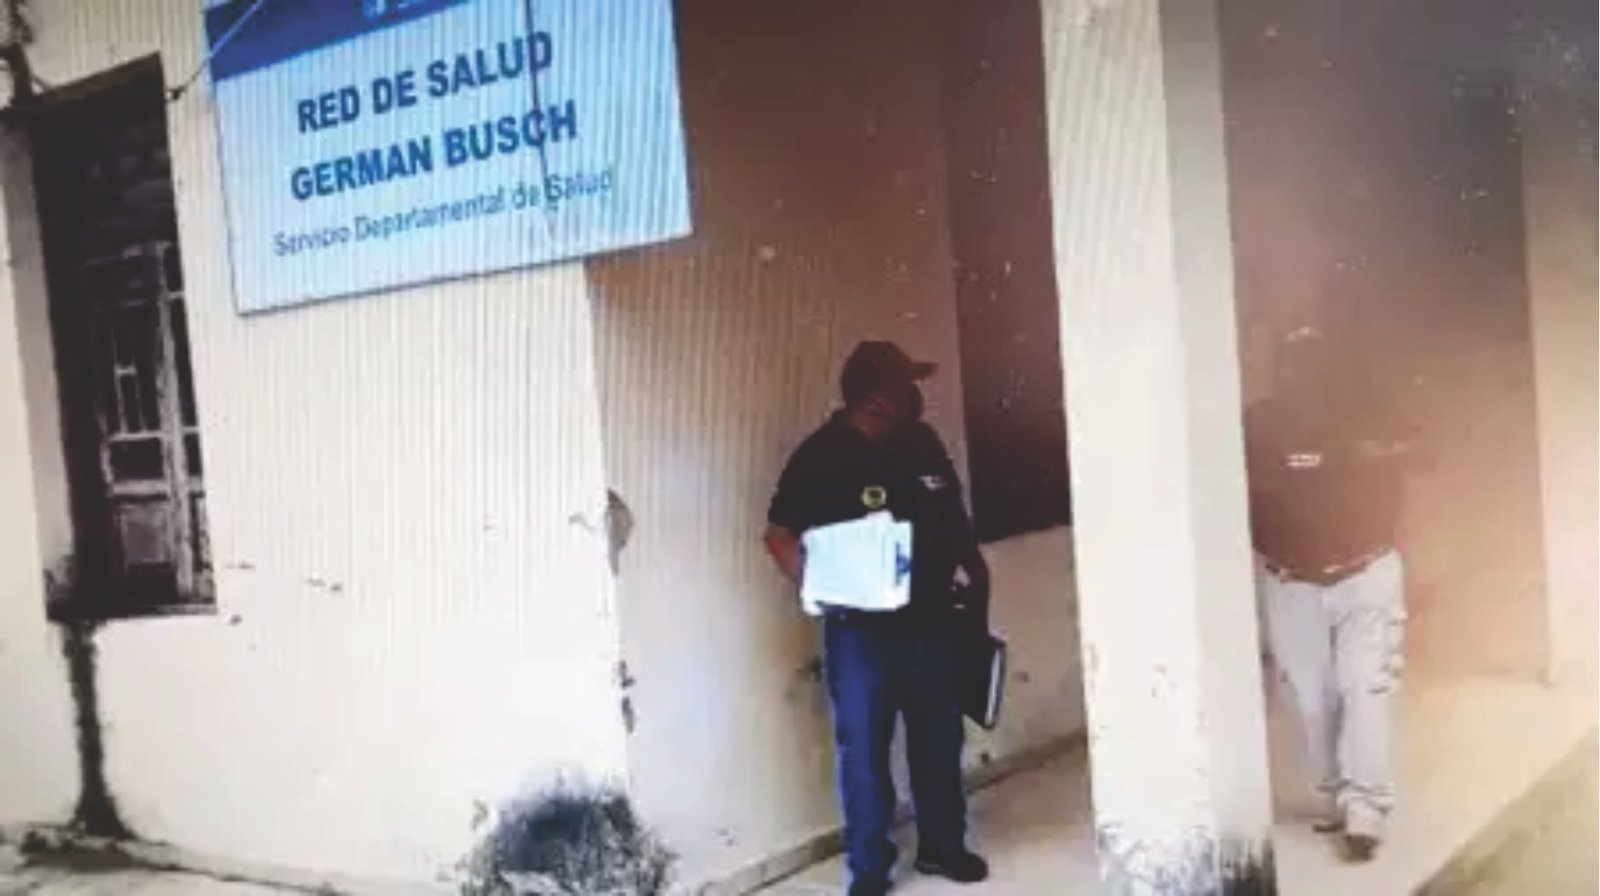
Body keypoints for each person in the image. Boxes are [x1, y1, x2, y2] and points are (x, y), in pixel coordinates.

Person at [764, 341, 991, 896]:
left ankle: (943, 847)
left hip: (933, 623)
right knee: (864, 752)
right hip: (863, 636)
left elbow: (953, 517)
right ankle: (870, 869)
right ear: (876, 398)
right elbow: (778, 535)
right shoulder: (821, 456)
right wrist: (819, 589)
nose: (914, 396)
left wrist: (974, 577)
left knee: (939, 742)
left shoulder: (922, 442)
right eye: (904, 386)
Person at [1245, 325, 1424, 863]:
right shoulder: (1259, 423)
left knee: (1362, 685)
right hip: (1290, 582)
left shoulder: (1368, 412)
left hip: (1365, 575)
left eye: (1312, 363)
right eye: (1290, 363)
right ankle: (1335, 794)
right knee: (1309, 697)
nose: (1300, 375)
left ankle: (1365, 805)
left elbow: (1423, 449)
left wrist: (1374, 453)